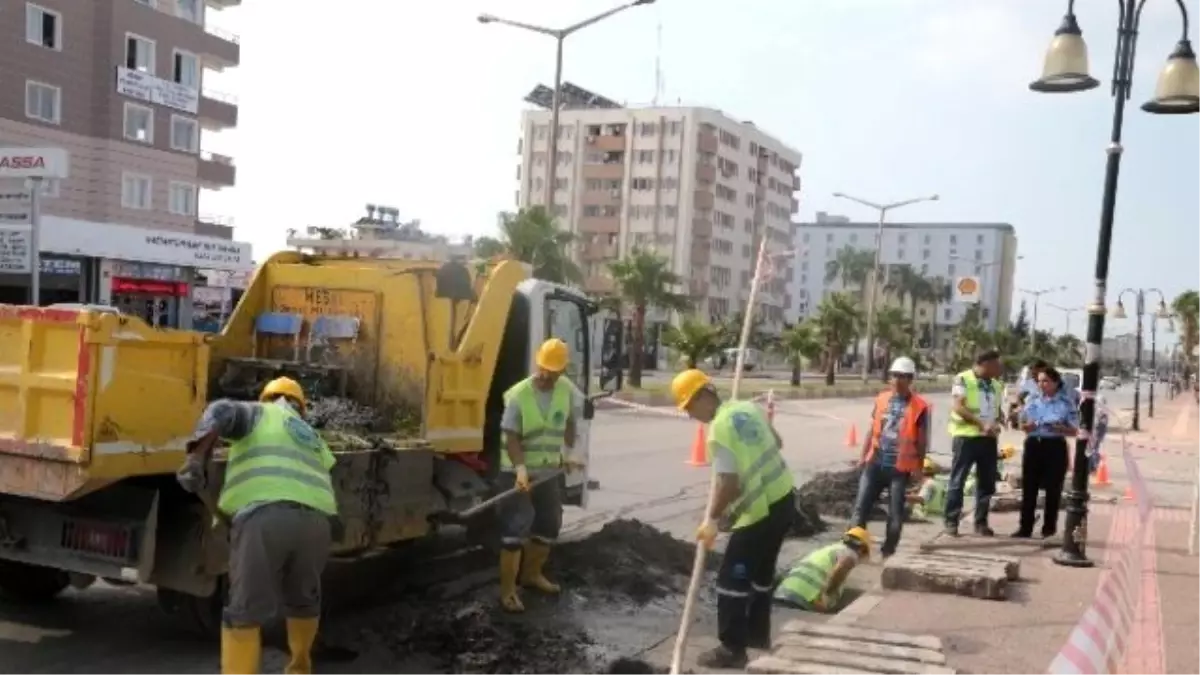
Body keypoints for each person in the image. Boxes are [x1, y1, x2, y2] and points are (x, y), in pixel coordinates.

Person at [176, 377, 338, 675]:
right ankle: (300, 669)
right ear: (300, 406)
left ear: (267, 397)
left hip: (265, 520)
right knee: (303, 602)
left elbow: (221, 411)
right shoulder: (312, 435)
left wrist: (196, 458)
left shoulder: (260, 413)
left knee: (245, 612)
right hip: (316, 523)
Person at [672, 369, 794, 669]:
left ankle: (732, 648)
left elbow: (730, 483)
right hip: (784, 500)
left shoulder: (719, 430)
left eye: (689, 407)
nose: (690, 416)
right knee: (762, 575)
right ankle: (758, 636)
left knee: (731, 579)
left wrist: (713, 518)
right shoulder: (747, 408)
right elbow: (777, 442)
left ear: (704, 396)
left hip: (758, 512)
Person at [496, 338, 586, 614]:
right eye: (545, 368)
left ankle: (532, 575)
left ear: (562, 370)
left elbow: (570, 423)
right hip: (517, 471)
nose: (548, 375)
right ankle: (508, 592)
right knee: (517, 526)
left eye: (555, 370)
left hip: (548, 470)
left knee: (549, 522)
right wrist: (520, 469)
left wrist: (571, 452)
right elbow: (511, 437)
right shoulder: (518, 395)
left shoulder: (566, 390)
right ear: (538, 364)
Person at [850, 357, 930, 558]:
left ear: (911, 379)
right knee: (860, 508)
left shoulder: (920, 407)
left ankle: (888, 551)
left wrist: (919, 467)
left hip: (899, 468)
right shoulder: (881, 399)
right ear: (889, 378)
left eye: (903, 377)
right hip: (875, 462)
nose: (898, 380)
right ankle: (854, 548)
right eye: (895, 376)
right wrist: (862, 456)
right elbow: (872, 428)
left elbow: (922, 441)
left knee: (895, 514)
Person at [944, 350, 1004, 537]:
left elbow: (995, 408)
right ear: (985, 364)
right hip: (966, 437)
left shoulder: (995, 384)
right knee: (958, 480)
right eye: (996, 364)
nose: (999, 368)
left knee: (986, 483)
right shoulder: (963, 379)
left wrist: (999, 418)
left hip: (988, 440)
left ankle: (981, 522)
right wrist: (981, 424)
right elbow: (958, 406)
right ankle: (951, 522)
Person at [1015, 367, 1079, 538]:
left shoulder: (1066, 403)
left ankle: (1048, 529)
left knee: (1053, 490)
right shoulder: (1032, 399)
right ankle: (1025, 527)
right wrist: (1026, 426)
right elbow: (1022, 423)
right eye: (1039, 381)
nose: (1042, 385)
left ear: (1055, 383)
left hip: (1054, 446)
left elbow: (1074, 430)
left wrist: (1061, 428)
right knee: (1029, 488)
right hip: (1034, 445)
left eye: (1046, 381)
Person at [774, 527, 871, 612]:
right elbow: (840, 570)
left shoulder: (831, 549)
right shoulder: (850, 554)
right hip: (804, 597)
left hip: (783, 591)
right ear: (862, 549)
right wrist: (824, 597)